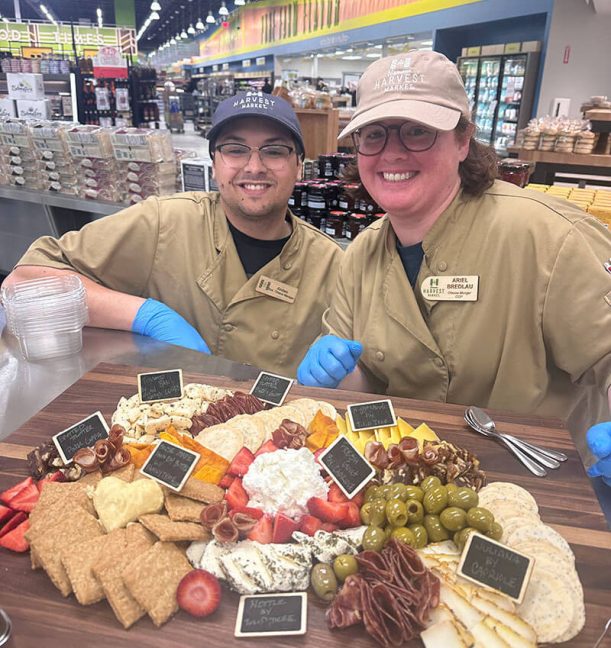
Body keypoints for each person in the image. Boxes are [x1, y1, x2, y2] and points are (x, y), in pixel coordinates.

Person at [296, 51, 611, 479]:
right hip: (412, 485)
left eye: (417, 132)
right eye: (373, 135)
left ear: (463, 141)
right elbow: (370, 383)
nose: (392, 153)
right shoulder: (361, 255)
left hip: (537, 481)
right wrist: (341, 374)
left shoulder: (549, 237)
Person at [5, 92, 342, 376]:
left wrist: (343, 375)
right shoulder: (164, 222)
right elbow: (23, 281)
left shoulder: (330, 264)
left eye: (274, 151)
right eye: (235, 149)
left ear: (299, 165)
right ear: (215, 163)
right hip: (164, 432)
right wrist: (146, 316)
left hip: (271, 446)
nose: (254, 167)